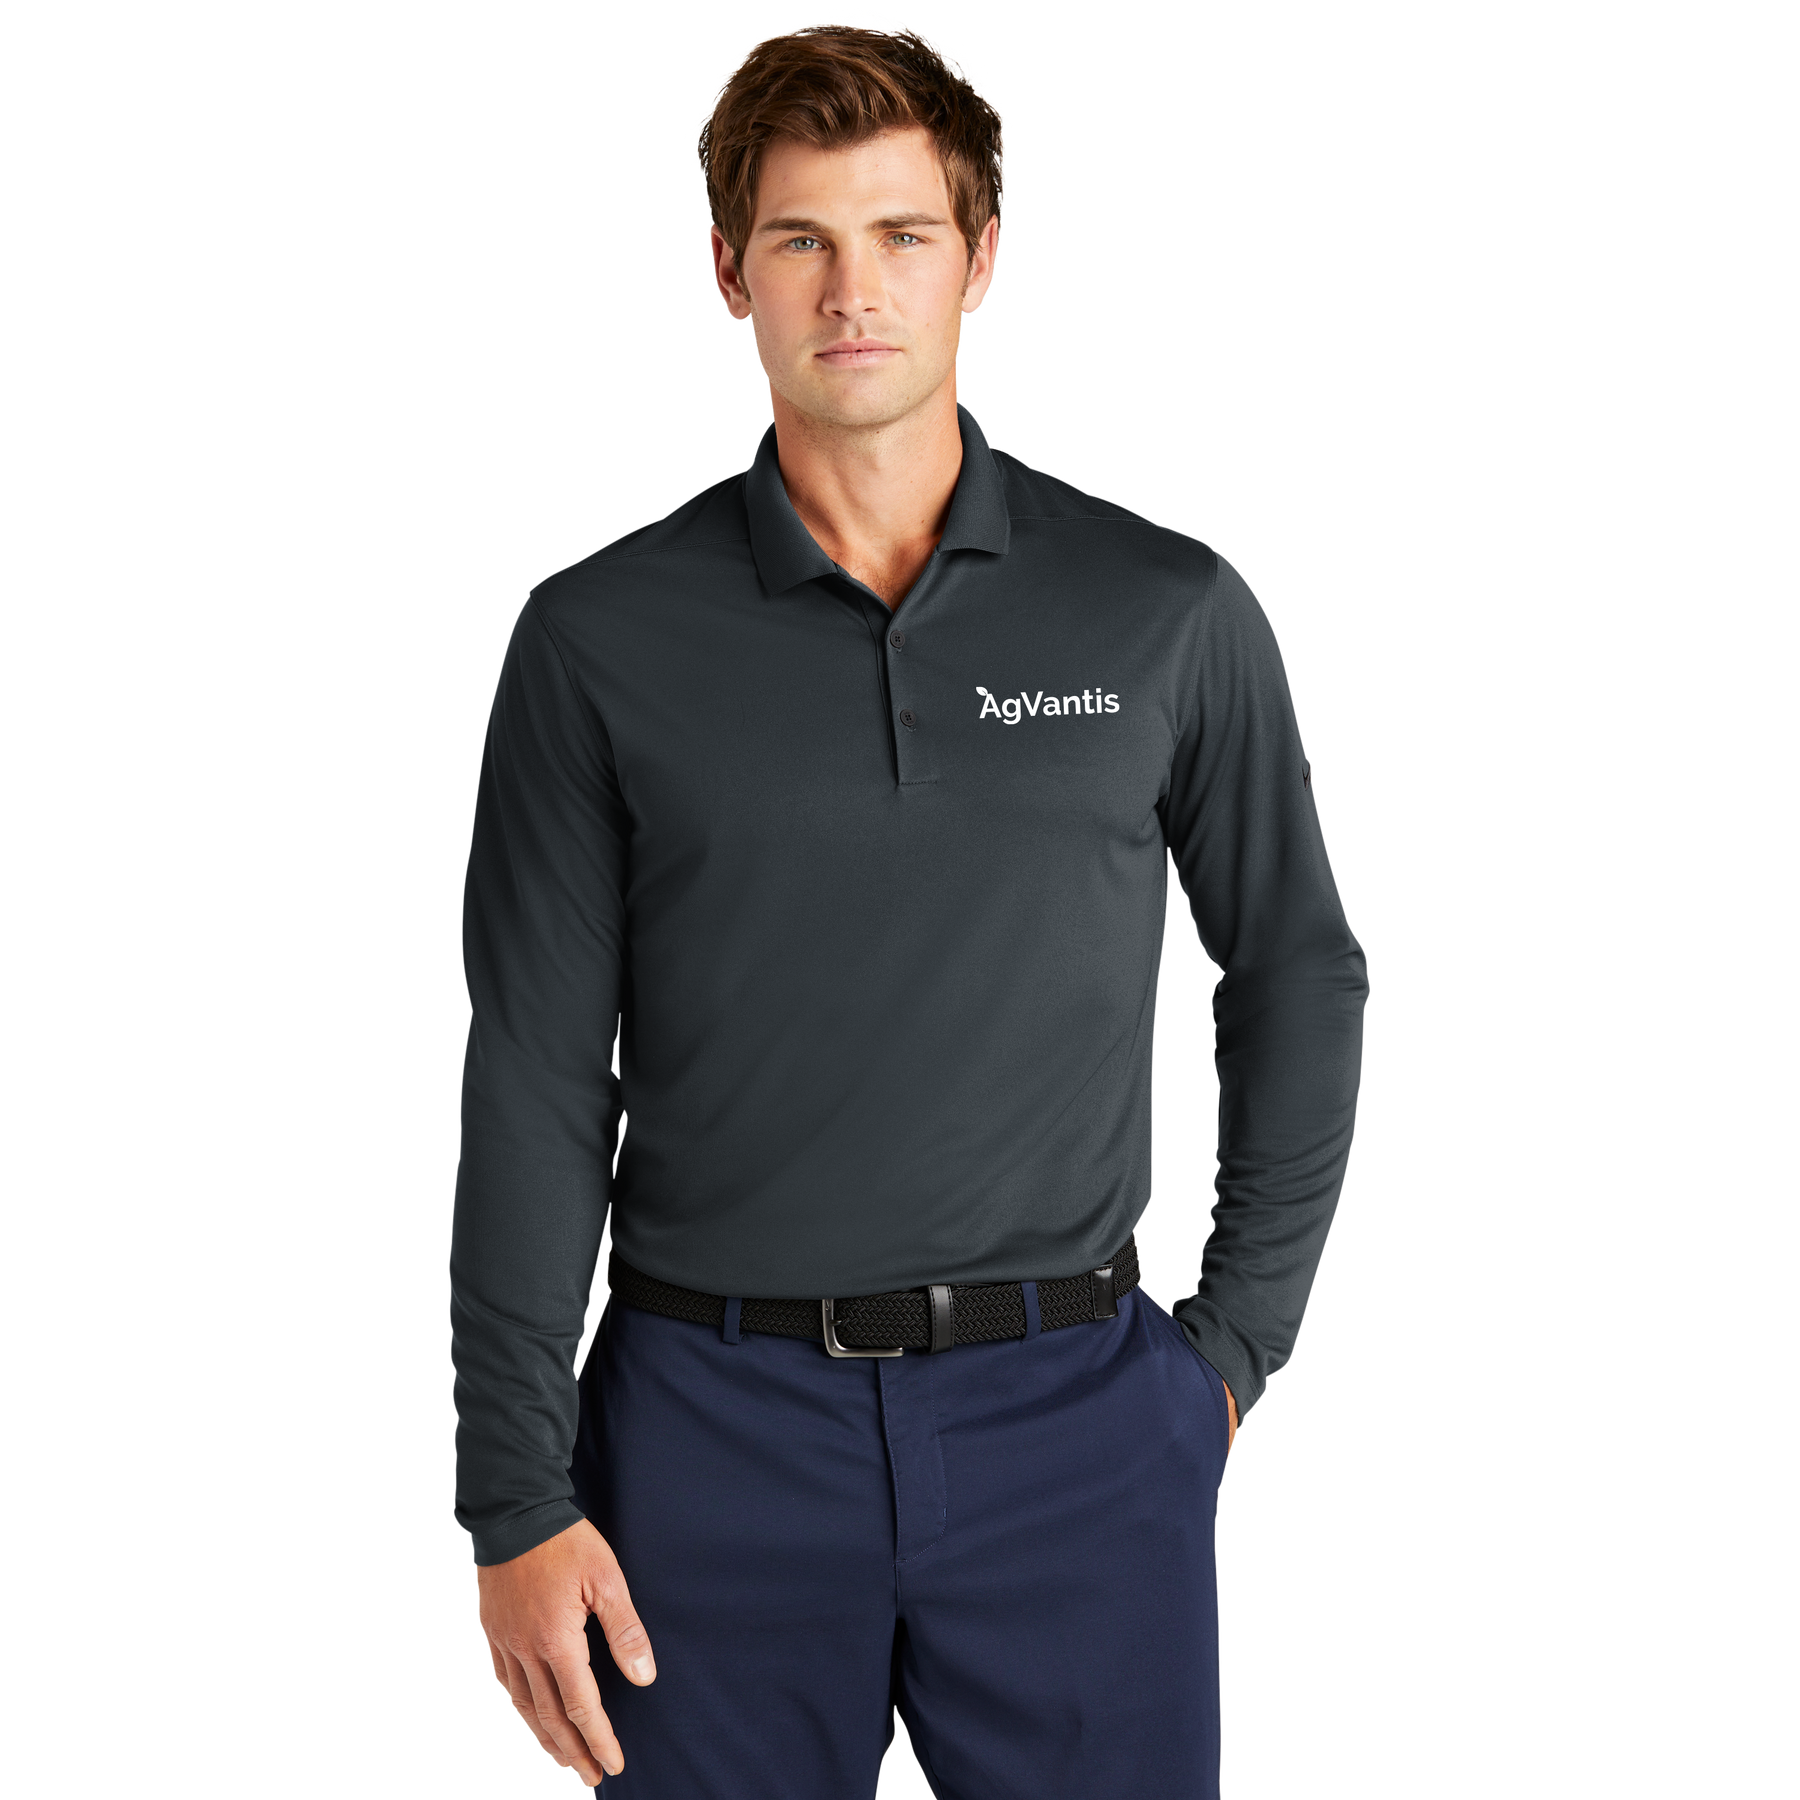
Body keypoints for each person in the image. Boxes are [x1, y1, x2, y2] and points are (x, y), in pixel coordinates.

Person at [448, 11, 1369, 1795]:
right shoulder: (593, 640)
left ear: (982, 259)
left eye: (900, 235)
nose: (851, 290)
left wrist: (1228, 1359)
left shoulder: (1166, 608)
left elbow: (1298, 970)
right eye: (800, 239)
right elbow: (536, 1075)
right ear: (729, 272)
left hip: (1077, 1423)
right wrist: (513, 1499)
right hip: (704, 1437)